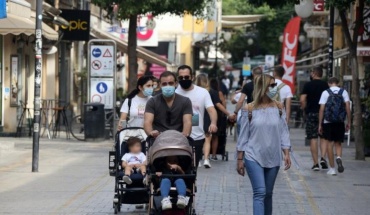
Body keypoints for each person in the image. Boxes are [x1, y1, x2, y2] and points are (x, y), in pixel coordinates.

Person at [236, 74, 291, 215]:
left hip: (273, 156)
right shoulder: (248, 109)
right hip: (253, 155)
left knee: (268, 193)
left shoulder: (279, 107)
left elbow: (284, 131)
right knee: (260, 192)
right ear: (262, 87)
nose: (274, 88)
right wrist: (240, 159)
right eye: (271, 85)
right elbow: (243, 136)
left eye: (275, 85)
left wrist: (286, 153)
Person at [175, 65, 219, 167]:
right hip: (178, 136)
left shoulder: (202, 92)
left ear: (192, 77)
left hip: (197, 137)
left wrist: (213, 123)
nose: (184, 79)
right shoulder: (174, 92)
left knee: (193, 168)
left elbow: (211, 110)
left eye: (186, 77)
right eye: (181, 78)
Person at [195, 74, 234, 168]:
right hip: (208, 117)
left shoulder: (194, 92)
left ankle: (197, 159)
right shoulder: (211, 92)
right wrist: (228, 113)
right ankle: (206, 159)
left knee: (195, 139)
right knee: (207, 139)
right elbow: (218, 105)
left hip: (195, 116)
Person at [144, 71, 193, 138]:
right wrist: (151, 132)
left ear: (176, 84)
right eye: (164, 84)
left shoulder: (185, 101)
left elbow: (187, 122)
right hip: (158, 141)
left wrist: (184, 135)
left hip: (179, 141)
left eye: (170, 83)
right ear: (160, 85)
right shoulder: (152, 101)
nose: (168, 86)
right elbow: (147, 122)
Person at [318, 77, 351, 175]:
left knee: (329, 144)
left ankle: (332, 169)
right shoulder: (343, 92)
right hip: (340, 122)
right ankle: (339, 158)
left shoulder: (325, 92)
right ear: (338, 83)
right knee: (338, 143)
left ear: (329, 83)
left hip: (328, 122)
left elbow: (321, 109)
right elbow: (348, 108)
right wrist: (348, 121)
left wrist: (320, 124)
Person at [300, 67, 329, 171]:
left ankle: (315, 163)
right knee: (323, 137)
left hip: (311, 113)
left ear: (314, 74)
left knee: (313, 138)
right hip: (324, 114)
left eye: (311, 72)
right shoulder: (325, 85)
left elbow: (302, 100)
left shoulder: (308, 85)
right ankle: (323, 158)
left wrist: (305, 109)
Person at [209, 78, 233, 161]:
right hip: (218, 117)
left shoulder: (207, 92)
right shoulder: (219, 93)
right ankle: (214, 155)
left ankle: (206, 154)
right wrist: (228, 114)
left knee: (207, 136)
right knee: (215, 136)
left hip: (207, 116)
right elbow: (223, 105)